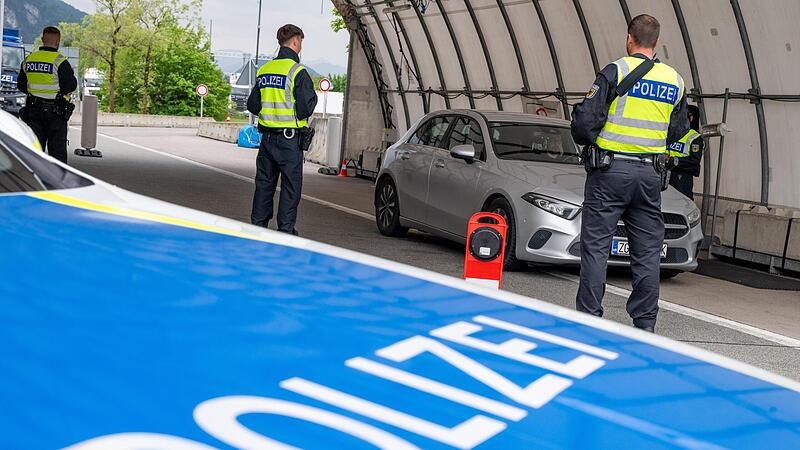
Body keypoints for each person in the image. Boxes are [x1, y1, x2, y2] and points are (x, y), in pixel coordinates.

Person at [571, 14, 700, 332]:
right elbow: (680, 129)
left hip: (610, 172)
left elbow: (585, 122)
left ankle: (589, 317)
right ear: (656, 42)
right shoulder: (675, 80)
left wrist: (595, 142)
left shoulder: (615, 70)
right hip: (649, 177)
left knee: (597, 245)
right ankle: (645, 324)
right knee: (646, 252)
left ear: (630, 38)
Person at [248, 24, 318, 235]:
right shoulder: (298, 72)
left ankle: (257, 228)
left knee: (264, 185)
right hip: (290, 141)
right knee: (290, 187)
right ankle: (285, 231)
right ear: (296, 41)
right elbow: (306, 108)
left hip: (267, 139)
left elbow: (253, 105)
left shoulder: (264, 70)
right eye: (301, 42)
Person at [17, 26, 77, 164]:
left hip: (33, 110)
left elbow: (21, 85)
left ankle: (34, 180)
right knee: (57, 152)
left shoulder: (29, 60)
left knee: (35, 150)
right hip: (56, 113)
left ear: (42, 40)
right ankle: (57, 182)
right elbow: (70, 86)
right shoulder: (60, 61)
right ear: (58, 42)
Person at [669, 105, 704, 199]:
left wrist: (674, 160)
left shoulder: (695, 138)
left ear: (691, 118)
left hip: (682, 175)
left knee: (681, 200)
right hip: (666, 172)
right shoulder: (673, 132)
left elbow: (694, 160)